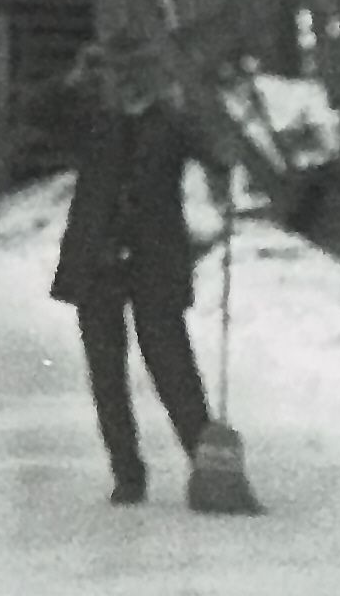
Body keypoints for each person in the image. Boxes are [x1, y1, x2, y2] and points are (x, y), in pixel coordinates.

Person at [46, 31, 233, 504]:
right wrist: (76, 78)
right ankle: (127, 474)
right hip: (97, 259)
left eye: (136, 74)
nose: (128, 83)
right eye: (118, 73)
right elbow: (40, 115)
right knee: (107, 372)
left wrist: (222, 177)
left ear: (152, 77)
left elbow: (218, 152)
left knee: (171, 362)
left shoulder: (172, 124)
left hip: (155, 256)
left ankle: (204, 462)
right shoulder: (92, 120)